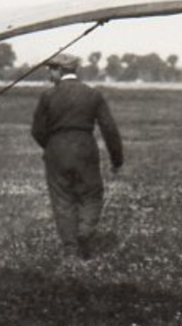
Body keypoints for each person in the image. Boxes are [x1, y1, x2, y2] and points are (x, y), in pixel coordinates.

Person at [31, 54, 124, 260]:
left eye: (51, 70)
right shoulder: (93, 94)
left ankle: (70, 249)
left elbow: (37, 130)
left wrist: (52, 146)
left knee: (62, 199)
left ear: (59, 71)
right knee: (91, 194)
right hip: (85, 148)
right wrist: (117, 160)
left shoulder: (47, 96)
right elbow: (109, 129)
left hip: (56, 150)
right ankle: (85, 232)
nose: (49, 75)